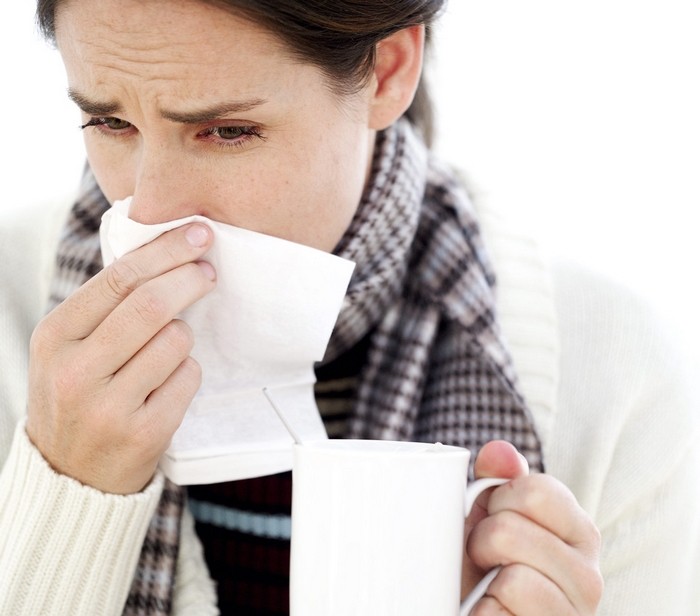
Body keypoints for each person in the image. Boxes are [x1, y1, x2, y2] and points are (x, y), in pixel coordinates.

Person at [0, 0, 697, 614]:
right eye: (108, 121)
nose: (147, 208)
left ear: (388, 71)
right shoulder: (12, 306)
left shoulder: (617, 378)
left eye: (227, 131)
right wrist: (64, 489)